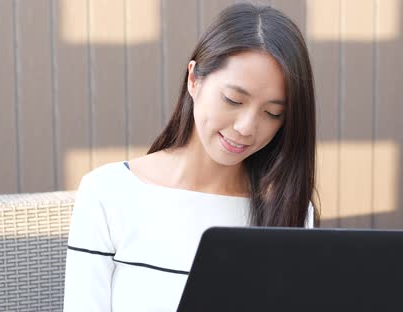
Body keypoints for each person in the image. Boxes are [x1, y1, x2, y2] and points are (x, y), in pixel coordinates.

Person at [63, 3, 318, 311]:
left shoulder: (290, 208)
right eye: (233, 99)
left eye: (272, 113)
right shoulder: (108, 193)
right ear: (194, 80)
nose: (247, 127)